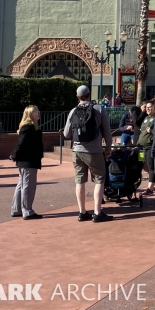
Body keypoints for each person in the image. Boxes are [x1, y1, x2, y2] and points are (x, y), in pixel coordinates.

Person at [63, 85, 113, 223]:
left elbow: (66, 134)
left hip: (77, 151)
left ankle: (82, 212)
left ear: (77, 97)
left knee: (80, 181)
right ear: (89, 95)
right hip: (94, 151)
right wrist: (108, 148)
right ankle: (97, 212)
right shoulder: (98, 109)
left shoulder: (73, 111)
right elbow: (107, 132)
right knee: (99, 179)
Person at [10, 105, 44, 220]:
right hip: (28, 161)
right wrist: (14, 154)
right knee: (28, 186)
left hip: (27, 161)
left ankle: (17, 209)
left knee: (22, 185)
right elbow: (21, 144)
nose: (38, 113)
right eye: (35, 111)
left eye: (38, 111)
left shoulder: (30, 127)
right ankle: (27, 210)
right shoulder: (28, 127)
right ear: (29, 114)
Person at [137, 101, 155, 196]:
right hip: (141, 147)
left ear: (154, 108)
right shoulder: (146, 118)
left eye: (150, 107)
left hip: (149, 147)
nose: (148, 109)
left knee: (151, 167)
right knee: (142, 165)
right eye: (146, 107)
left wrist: (151, 131)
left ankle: (150, 189)